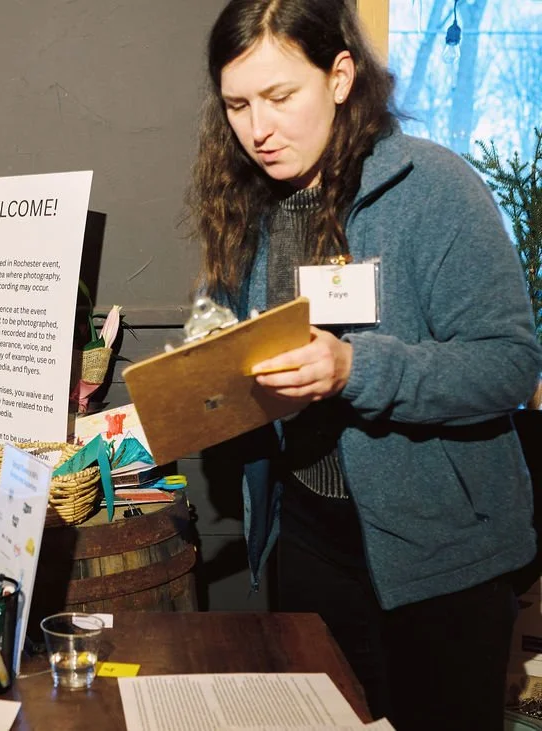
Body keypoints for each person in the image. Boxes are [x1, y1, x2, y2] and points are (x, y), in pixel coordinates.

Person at [187, 1, 542, 729]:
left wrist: (354, 368)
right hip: (307, 539)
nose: (258, 129)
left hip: (443, 556)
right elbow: (225, 324)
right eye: (237, 105)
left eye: (280, 96)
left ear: (341, 76)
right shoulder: (246, 205)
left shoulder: (434, 187)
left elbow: (509, 365)